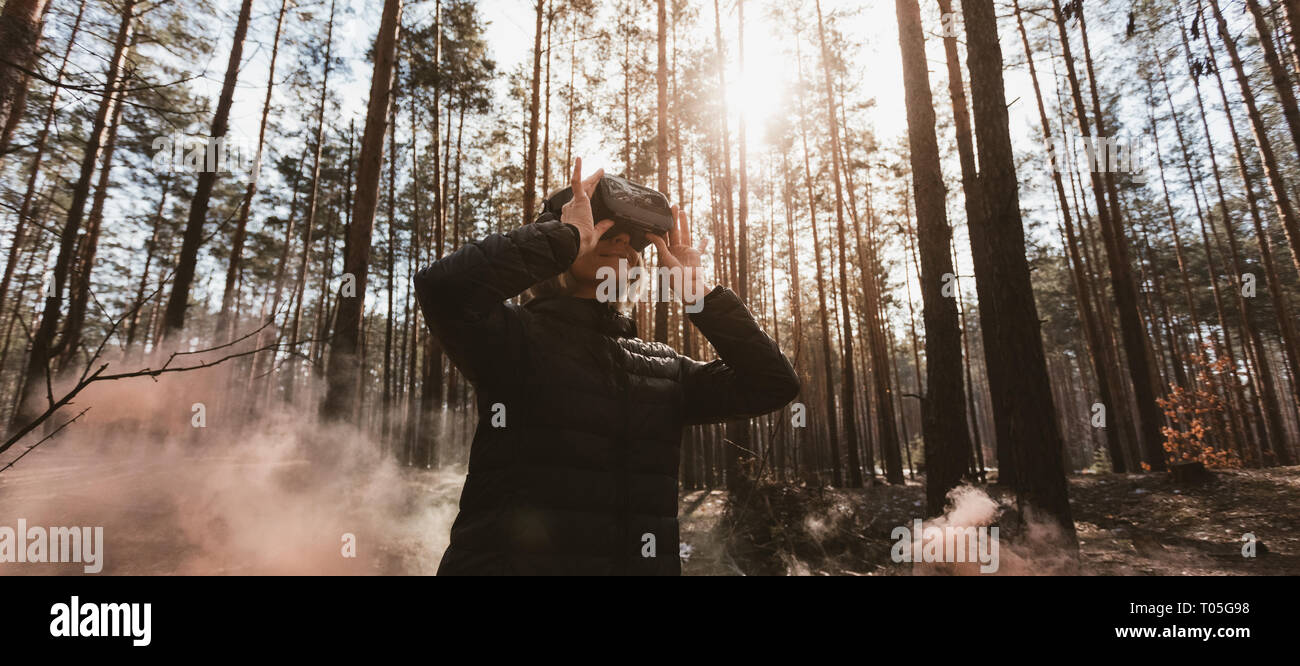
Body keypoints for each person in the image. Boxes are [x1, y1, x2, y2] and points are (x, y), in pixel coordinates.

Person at [414, 157, 799, 575]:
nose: (623, 244)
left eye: (634, 240)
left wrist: (698, 295)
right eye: (605, 230)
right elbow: (444, 289)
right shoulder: (512, 339)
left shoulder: (664, 369)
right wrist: (563, 237)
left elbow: (773, 383)